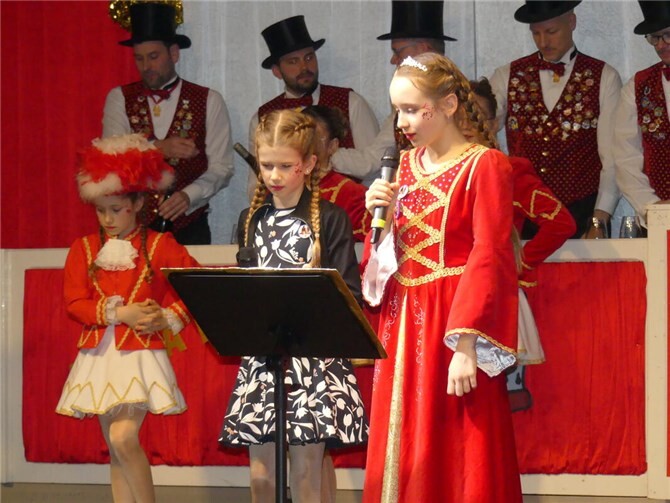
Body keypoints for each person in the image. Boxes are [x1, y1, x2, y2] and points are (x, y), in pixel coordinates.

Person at [361, 53, 522, 502]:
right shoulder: (401, 168)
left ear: (449, 104)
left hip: (453, 320)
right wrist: (381, 221)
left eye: (413, 110)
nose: (402, 122)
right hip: (402, 320)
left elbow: (490, 255)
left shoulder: (485, 165)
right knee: (403, 437)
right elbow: (381, 265)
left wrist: (466, 343)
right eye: (398, 110)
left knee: (458, 446)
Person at [220, 110, 368, 503]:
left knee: (305, 475)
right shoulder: (250, 220)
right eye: (266, 165)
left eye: (286, 166)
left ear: (310, 164)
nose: (274, 176)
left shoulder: (330, 219)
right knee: (261, 476)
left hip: (312, 361)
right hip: (264, 359)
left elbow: (349, 295)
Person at [56, 133, 199, 503]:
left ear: (137, 203)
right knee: (114, 445)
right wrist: (120, 313)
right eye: (101, 210)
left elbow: (196, 285)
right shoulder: (83, 249)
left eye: (116, 209)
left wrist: (167, 318)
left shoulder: (161, 245)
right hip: (98, 355)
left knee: (123, 437)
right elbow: (74, 303)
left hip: (140, 354)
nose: (108, 218)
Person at [467, 77, 577, 412]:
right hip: (446, 297)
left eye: (478, 115)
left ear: (494, 123)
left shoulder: (509, 172)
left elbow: (561, 223)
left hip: (491, 296)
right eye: (461, 114)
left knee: (487, 403)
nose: (468, 123)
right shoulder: (433, 172)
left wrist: (519, 263)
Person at [104, 2, 234, 244]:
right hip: (132, 225)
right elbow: (112, 158)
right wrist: (158, 148)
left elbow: (222, 167)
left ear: (174, 54)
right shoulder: (119, 98)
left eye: (154, 57)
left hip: (190, 227)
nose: (146, 67)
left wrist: (189, 195)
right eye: (139, 58)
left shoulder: (209, 100)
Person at [489, 0, 622, 238]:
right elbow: (482, 126)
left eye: (551, 31)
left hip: (582, 213)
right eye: (536, 33)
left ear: (571, 22)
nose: (543, 42)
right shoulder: (506, 76)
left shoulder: (604, 77)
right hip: (525, 214)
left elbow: (612, 154)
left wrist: (600, 219)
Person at [247, 15, 379, 198]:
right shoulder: (263, 117)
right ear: (277, 71)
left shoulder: (351, 101)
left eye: (309, 57)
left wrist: (325, 154)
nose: (304, 67)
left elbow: (373, 164)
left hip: (347, 207)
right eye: (293, 61)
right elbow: (255, 186)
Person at [330, 0, 456, 181]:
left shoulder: (466, 102)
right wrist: (320, 151)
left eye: (398, 51)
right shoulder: (399, 115)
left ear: (423, 50)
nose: (393, 60)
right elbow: (371, 160)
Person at [613, 0, 670, 234]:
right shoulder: (637, 86)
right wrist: (652, 208)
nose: (660, 45)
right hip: (658, 223)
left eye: (667, 35)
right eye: (654, 37)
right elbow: (625, 156)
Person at [302, 105, 371, 241]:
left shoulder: (351, 194)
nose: (303, 144)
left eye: (313, 138)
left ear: (332, 146)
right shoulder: (281, 187)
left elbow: (373, 245)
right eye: (297, 136)